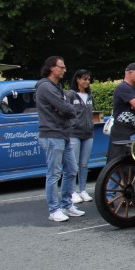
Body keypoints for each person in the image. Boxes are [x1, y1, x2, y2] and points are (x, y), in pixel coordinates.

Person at [36, 56, 84, 222]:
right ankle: (54, 210)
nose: (64, 70)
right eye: (61, 67)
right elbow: (65, 107)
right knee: (54, 174)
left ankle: (66, 204)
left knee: (71, 169)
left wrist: (64, 110)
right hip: (51, 134)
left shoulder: (57, 87)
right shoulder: (45, 87)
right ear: (51, 68)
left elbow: (67, 109)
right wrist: (64, 109)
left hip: (63, 134)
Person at [66, 69, 95, 204]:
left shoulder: (89, 95)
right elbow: (67, 112)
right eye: (84, 79)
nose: (87, 82)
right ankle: (72, 191)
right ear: (77, 79)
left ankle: (82, 189)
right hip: (74, 133)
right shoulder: (71, 95)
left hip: (88, 133)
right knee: (73, 164)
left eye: (88, 79)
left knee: (84, 164)